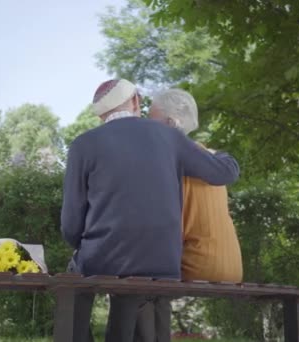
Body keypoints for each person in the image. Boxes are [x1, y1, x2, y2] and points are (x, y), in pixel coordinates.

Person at [61, 79, 240, 342]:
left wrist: (82, 245)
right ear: (136, 101)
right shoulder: (169, 136)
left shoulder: (83, 145)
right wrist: (221, 155)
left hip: (105, 258)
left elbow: (71, 225)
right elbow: (223, 172)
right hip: (162, 261)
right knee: (134, 287)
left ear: (100, 113)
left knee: (72, 281)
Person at [135, 89, 243, 341]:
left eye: (152, 120)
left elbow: (162, 225)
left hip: (199, 265)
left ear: (172, 123)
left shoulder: (167, 160)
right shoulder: (212, 156)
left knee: (134, 278)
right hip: (232, 266)